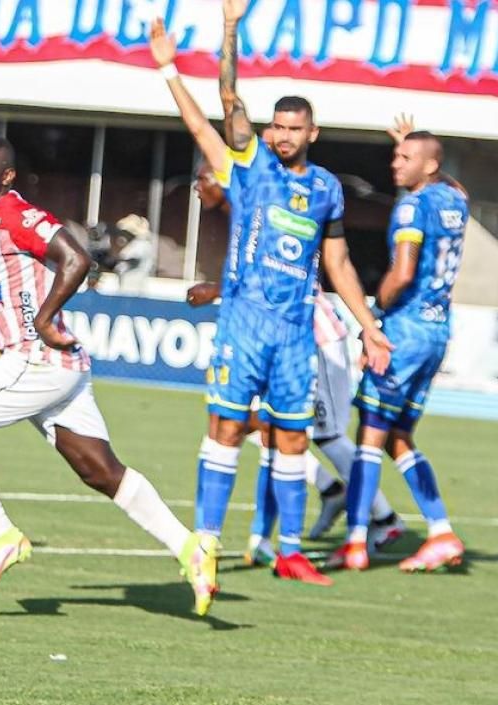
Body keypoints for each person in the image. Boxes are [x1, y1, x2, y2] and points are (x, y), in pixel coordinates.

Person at [0, 134, 219, 616]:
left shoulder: (18, 215)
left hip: (35, 358)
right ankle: (189, 548)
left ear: (6, 177)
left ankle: (0, 535)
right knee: (100, 471)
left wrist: (45, 316)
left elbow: (77, 258)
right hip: (57, 367)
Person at [151, 8, 391, 587]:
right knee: (227, 429)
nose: (282, 135)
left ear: (312, 133)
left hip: (294, 334)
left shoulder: (326, 188)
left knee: (292, 438)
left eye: (293, 128)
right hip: (242, 326)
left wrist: (368, 326)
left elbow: (337, 263)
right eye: (276, 126)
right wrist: (211, 44)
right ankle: (206, 541)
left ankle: (289, 550)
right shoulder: (250, 169)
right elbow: (224, 102)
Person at [170, 104, 406, 564]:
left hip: (315, 336)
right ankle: (266, 538)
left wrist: (369, 327)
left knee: (322, 435)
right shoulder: (260, 199)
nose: (199, 189)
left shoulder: (277, 188)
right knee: (266, 432)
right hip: (278, 335)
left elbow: (312, 271)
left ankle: (381, 516)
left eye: (203, 181)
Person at [328, 131, 469, 572]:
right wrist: (421, 152)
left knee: (369, 433)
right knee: (397, 437)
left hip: (403, 331)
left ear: (428, 166)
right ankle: (441, 532)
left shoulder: (412, 206)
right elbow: (452, 184)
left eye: (405, 157)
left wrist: (375, 314)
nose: (395, 163)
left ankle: (355, 542)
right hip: (436, 331)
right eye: (395, 155)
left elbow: (403, 271)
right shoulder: (455, 200)